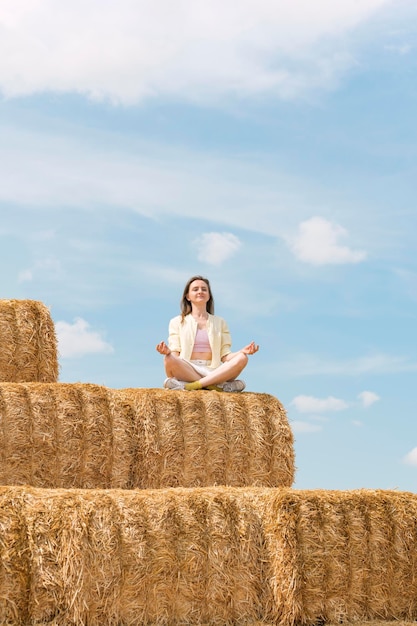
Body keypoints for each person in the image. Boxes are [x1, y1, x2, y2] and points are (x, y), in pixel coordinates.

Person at [156, 275, 259, 391]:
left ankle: (195, 385)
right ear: (188, 296)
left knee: (242, 358)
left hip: (215, 370)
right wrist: (167, 352)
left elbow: (225, 357)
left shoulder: (220, 322)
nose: (200, 292)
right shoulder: (176, 321)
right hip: (189, 368)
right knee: (168, 359)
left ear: (209, 296)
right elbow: (175, 355)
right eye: (195, 289)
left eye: (204, 289)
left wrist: (242, 351)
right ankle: (214, 385)